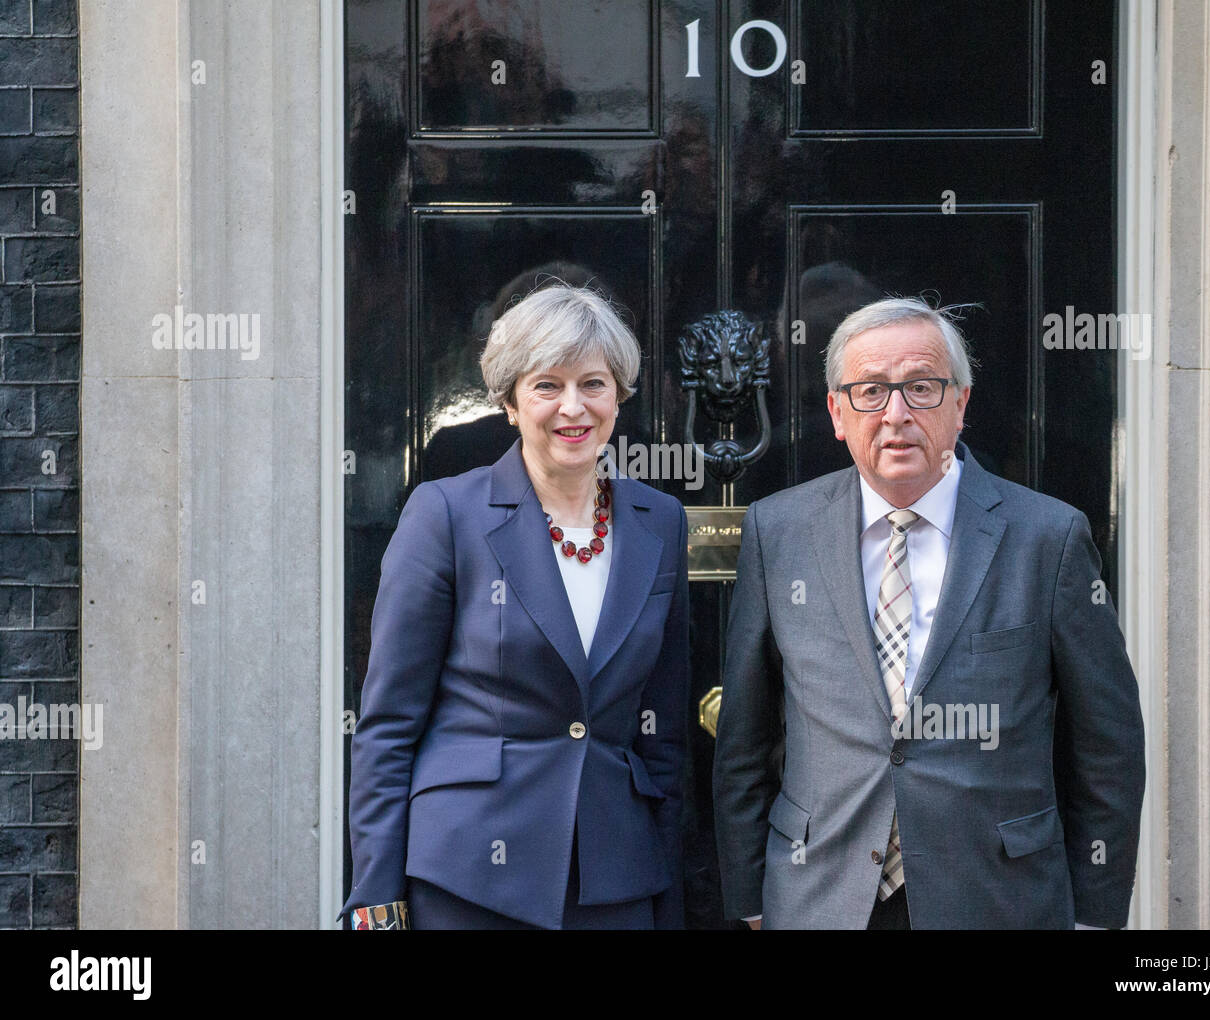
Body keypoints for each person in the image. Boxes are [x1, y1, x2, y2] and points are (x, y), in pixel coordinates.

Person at [712, 297, 1145, 929]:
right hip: (819, 898)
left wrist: (1097, 917)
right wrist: (749, 898)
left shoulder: (1048, 539)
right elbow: (744, 739)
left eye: (921, 388)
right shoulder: (778, 531)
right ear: (837, 411)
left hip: (998, 898)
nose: (896, 415)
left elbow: (1107, 743)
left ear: (960, 404)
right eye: (869, 392)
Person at [342, 283, 690, 929]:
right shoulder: (446, 513)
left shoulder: (660, 521)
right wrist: (375, 900)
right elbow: (389, 726)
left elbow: (664, 735)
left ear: (619, 396)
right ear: (509, 401)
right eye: (546, 385)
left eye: (593, 383)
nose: (573, 407)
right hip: (468, 877)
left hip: (614, 880)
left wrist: (671, 900)